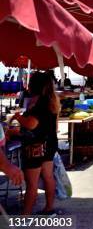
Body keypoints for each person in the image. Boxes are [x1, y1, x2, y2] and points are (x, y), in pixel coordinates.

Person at [10, 71, 59, 215]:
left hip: (35, 147)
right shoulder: (51, 100)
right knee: (48, 177)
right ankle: (49, 208)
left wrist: (18, 117)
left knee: (32, 184)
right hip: (49, 144)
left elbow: (32, 124)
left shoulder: (39, 103)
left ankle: (25, 217)